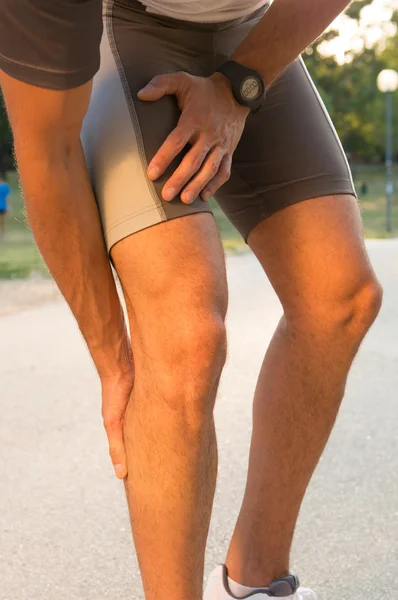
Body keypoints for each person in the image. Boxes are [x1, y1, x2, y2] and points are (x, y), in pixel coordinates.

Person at [0, 1, 382, 599]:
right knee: (186, 335)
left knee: (341, 297)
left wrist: (240, 85)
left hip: (252, 24)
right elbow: (48, 151)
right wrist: (114, 360)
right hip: (128, 30)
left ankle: (253, 582)